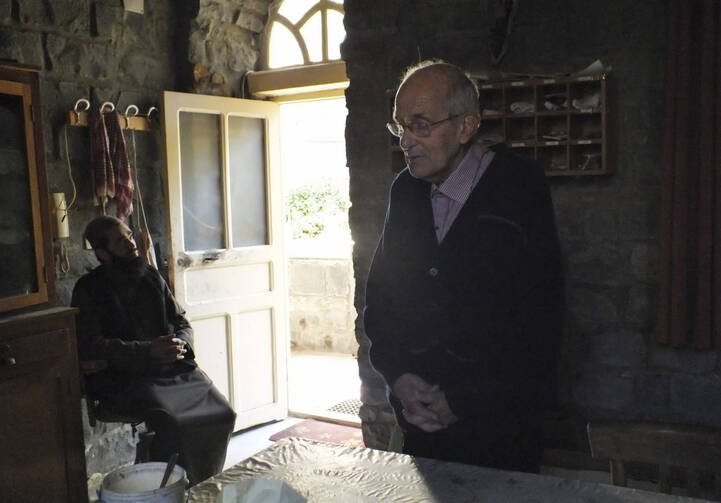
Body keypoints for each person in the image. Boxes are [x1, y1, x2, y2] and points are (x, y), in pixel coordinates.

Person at [364, 60, 564, 472]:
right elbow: (382, 300)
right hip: (421, 423)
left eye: (421, 124)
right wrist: (398, 376)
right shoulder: (405, 192)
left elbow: (541, 319)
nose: (405, 141)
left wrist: (463, 400)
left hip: (500, 427)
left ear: (466, 126)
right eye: (400, 126)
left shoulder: (519, 186)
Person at [71, 215, 236, 485]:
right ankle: (169, 489)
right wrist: (148, 351)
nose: (130, 243)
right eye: (119, 240)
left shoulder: (150, 275)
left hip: (173, 368)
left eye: (129, 236)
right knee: (175, 425)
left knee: (222, 413)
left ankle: (203, 485)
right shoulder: (89, 289)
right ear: (103, 253)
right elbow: (91, 345)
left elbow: (181, 320)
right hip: (126, 377)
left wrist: (182, 343)